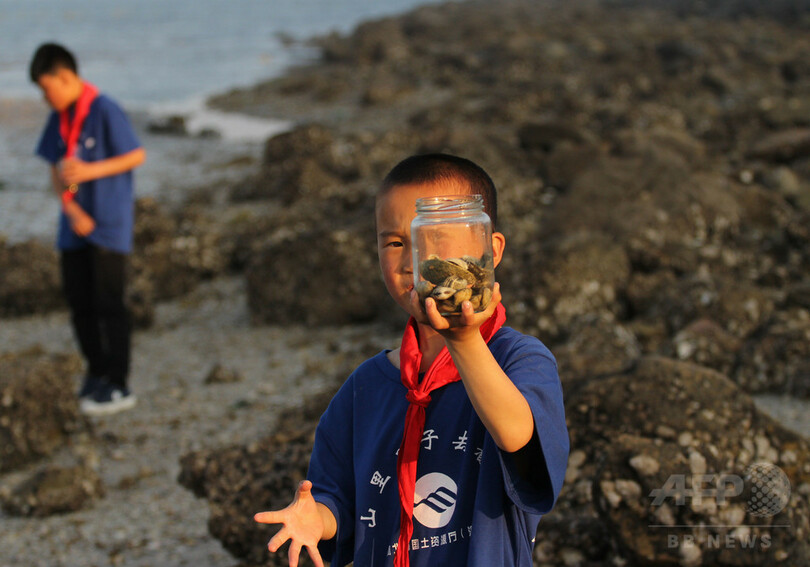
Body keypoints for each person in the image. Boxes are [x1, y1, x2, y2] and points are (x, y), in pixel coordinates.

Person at [254, 154, 569, 567]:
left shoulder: (519, 359)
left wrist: (464, 340)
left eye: (435, 239)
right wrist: (318, 518)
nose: (414, 262)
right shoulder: (365, 387)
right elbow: (340, 499)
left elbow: (518, 437)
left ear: (490, 250)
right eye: (396, 242)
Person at [30, 43, 146, 416]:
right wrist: (69, 207)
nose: (45, 97)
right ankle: (96, 374)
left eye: (47, 88)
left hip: (109, 225)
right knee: (79, 303)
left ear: (65, 77)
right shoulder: (58, 118)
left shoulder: (104, 109)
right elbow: (54, 168)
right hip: (72, 226)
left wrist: (91, 171)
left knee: (110, 303)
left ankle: (119, 383)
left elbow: (136, 155)